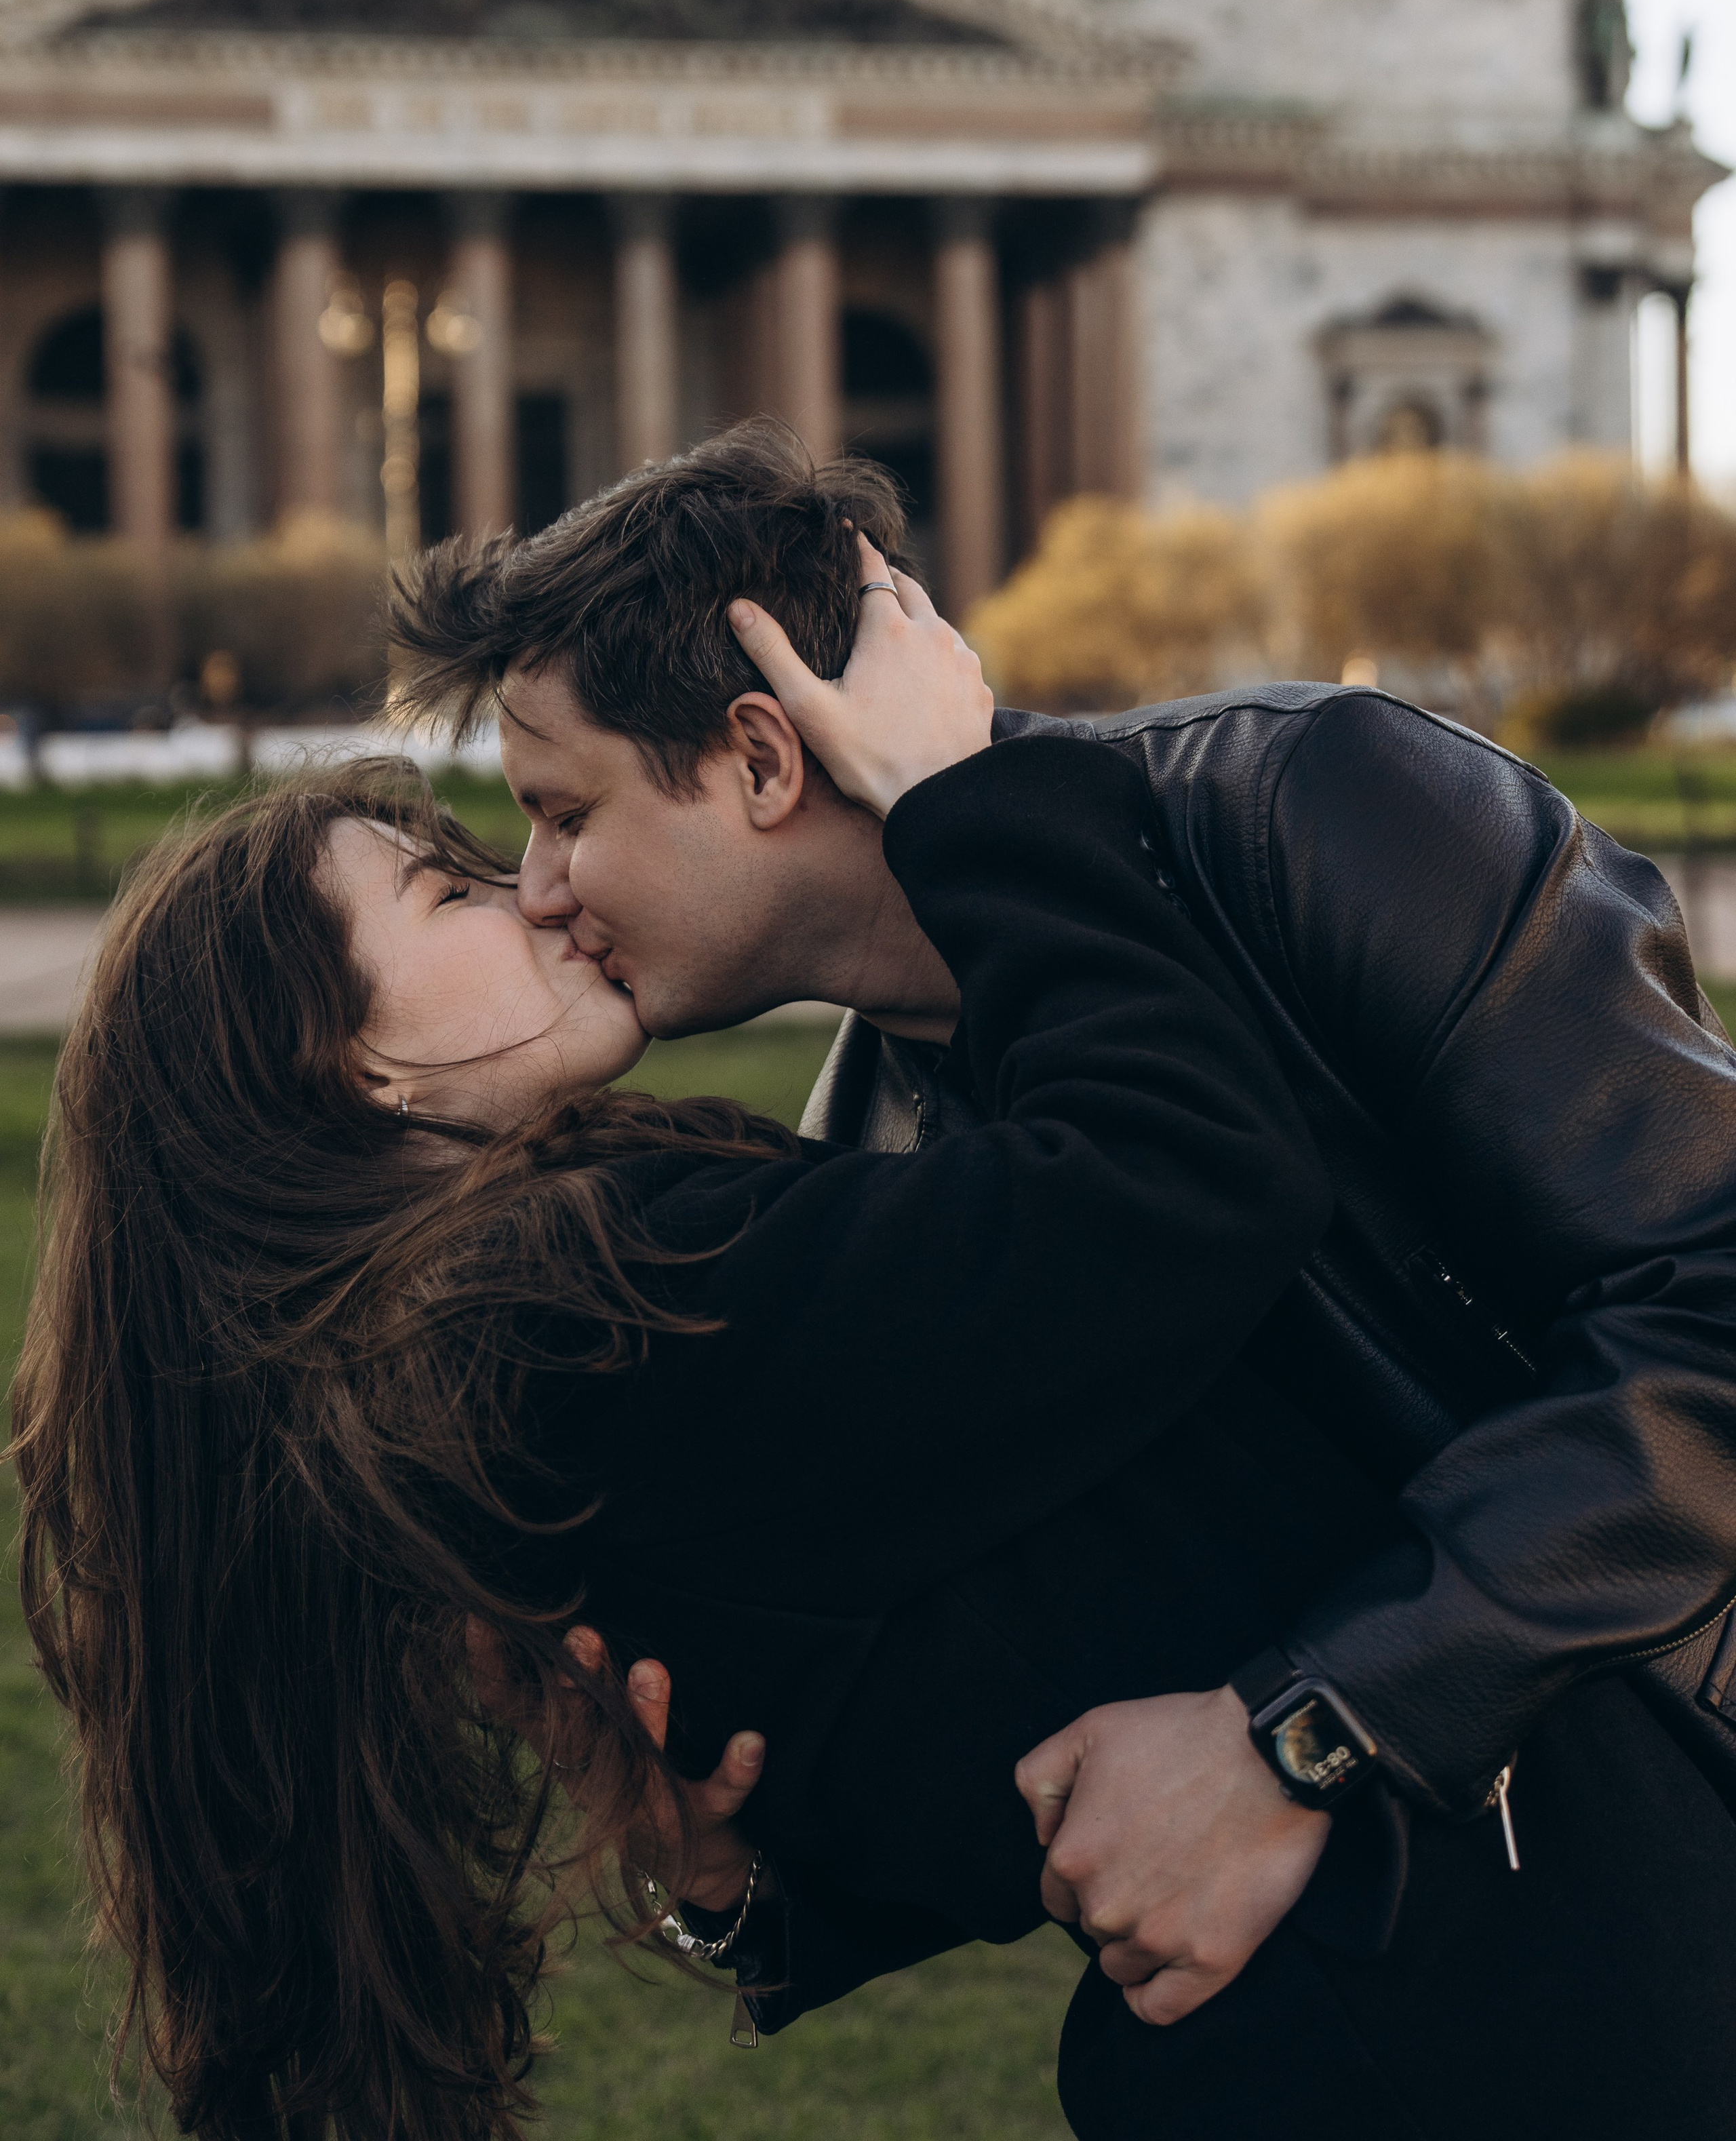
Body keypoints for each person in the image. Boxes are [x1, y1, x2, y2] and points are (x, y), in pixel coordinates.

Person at [388, 420, 1736, 2139]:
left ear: (760, 758)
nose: (538, 893)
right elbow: (1055, 1700)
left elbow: (1709, 1308)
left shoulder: (1314, 807)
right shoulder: (871, 1144)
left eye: (563, 816)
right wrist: (740, 1876)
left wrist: (1306, 1731)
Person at [12, 547, 1339, 2141]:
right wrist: (965, 802)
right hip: (1421, 1950)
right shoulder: (563, 1303)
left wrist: (739, 1888)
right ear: (351, 1072)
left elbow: (939, 1729)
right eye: (453, 891)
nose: (536, 892)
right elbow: (1189, 1182)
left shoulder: (464, 1375)